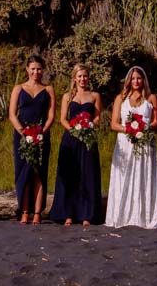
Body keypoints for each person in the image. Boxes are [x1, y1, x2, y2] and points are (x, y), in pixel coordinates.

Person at [105, 66, 157, 229]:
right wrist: (130, 129)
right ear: (128, 80)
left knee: (143, 175)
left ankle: (143, 216)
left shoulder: (151, 98)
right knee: (124, 176)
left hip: (145, 142)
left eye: (139, 78)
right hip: (125, 143)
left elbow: (156, 122)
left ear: (144, 80)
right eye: (133, 78)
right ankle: (121, 214)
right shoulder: (120, 98)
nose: (136, 81)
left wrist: (144, 128)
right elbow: (114, 124)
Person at [50, 64, 104, 226]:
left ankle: (87, 214)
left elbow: (97, 117)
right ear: (74, 78)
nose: (82, 79)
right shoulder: (67, 96)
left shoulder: (95, 95)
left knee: (88, 175)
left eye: (85, 76)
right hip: (71, 139)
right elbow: (62, 119)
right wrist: (74, 130)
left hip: (88, 139)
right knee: (70, 175)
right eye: (79, 76)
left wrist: (87, 126)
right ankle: (68, 214)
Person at [8, 54, 56, 225]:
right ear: (27, 69)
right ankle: (24, 211)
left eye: (39, 69)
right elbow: (12, 115)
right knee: (24, 173)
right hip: (23, 136)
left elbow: (51, 115)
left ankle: (37, 212)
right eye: (33, 68)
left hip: (42, 136)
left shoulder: (48, 89)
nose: (36, 72)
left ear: (43, 70)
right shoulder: (18, 89)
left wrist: (41, 132)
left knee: (39, 173)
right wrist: (24, 132)